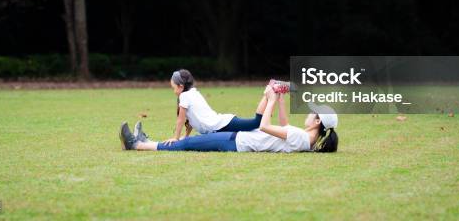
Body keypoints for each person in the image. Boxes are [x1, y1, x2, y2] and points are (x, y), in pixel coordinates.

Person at [119, 87, 338, 153]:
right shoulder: (302, 138)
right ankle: (144, 141)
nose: (309, 114)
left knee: (188, 143)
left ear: (317, 121)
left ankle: (137, 144)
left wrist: (270, 99)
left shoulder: (301, 137)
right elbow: (283, 126)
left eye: (313, 113)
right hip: (237, 139)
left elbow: (265, 126)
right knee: (191, 142)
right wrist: (279, 98)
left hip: (236, 142)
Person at [164, 69, 289, 144]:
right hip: (219, 125)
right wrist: (185, 137)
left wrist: (176, 138)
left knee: (257, 123)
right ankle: (271, 91)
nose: (173, 91)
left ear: (180, 86)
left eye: (173, 88)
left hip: (221, 125)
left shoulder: (184, 96)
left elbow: (180, 119)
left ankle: (270, 89)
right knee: (256, 125)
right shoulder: (192, 93)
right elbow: (190, 120)